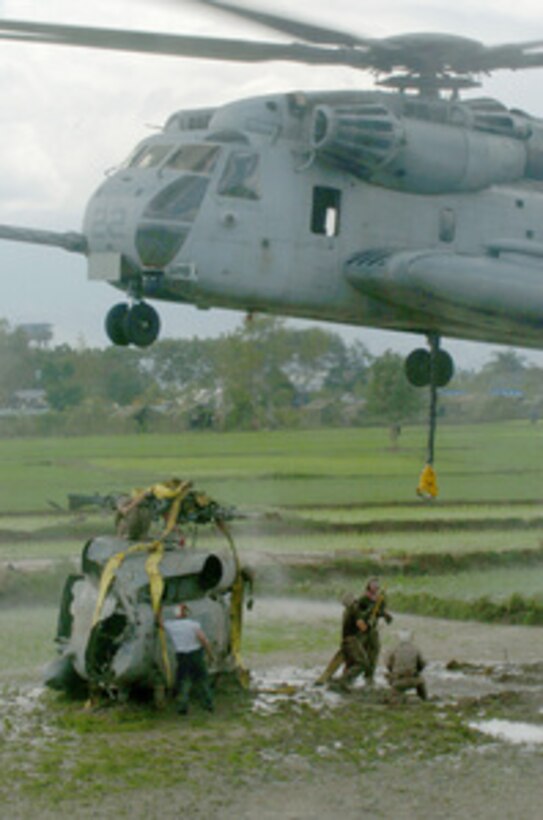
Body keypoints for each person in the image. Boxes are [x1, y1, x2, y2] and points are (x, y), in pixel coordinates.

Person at [336, 578, 393, 690]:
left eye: (377, 585)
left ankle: (369, 677)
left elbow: (381, 612)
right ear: (368, 587)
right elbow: (360, 616)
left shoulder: (380, 599)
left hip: (372, 629)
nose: (376, 587)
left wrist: (384, 614)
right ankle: (347, 678)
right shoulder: (363, 600)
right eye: (373, 585)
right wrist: (370, 612)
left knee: (374, 651)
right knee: (358, 658)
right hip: (361, 632)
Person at [164, 603, 214, 715]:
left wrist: (158, 608)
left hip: (182, 656)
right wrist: (210, 655)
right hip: (196, 654)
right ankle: (208, 704)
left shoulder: (170, 625)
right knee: (202, 680)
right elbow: (203, 640)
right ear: (186, 614)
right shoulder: (193, 625)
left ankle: (182, 707)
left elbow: (159, 622)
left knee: (183, 682)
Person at [385, 630, 427, 701]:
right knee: (421, 682)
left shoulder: (394, 649)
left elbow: (388, 665)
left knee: (394, 693)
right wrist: (416, 671)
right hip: (413, 679)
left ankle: (396, 694)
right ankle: (423, 698)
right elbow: (422, 665)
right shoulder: (416, 649)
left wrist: (393, 672)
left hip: (398, 680)